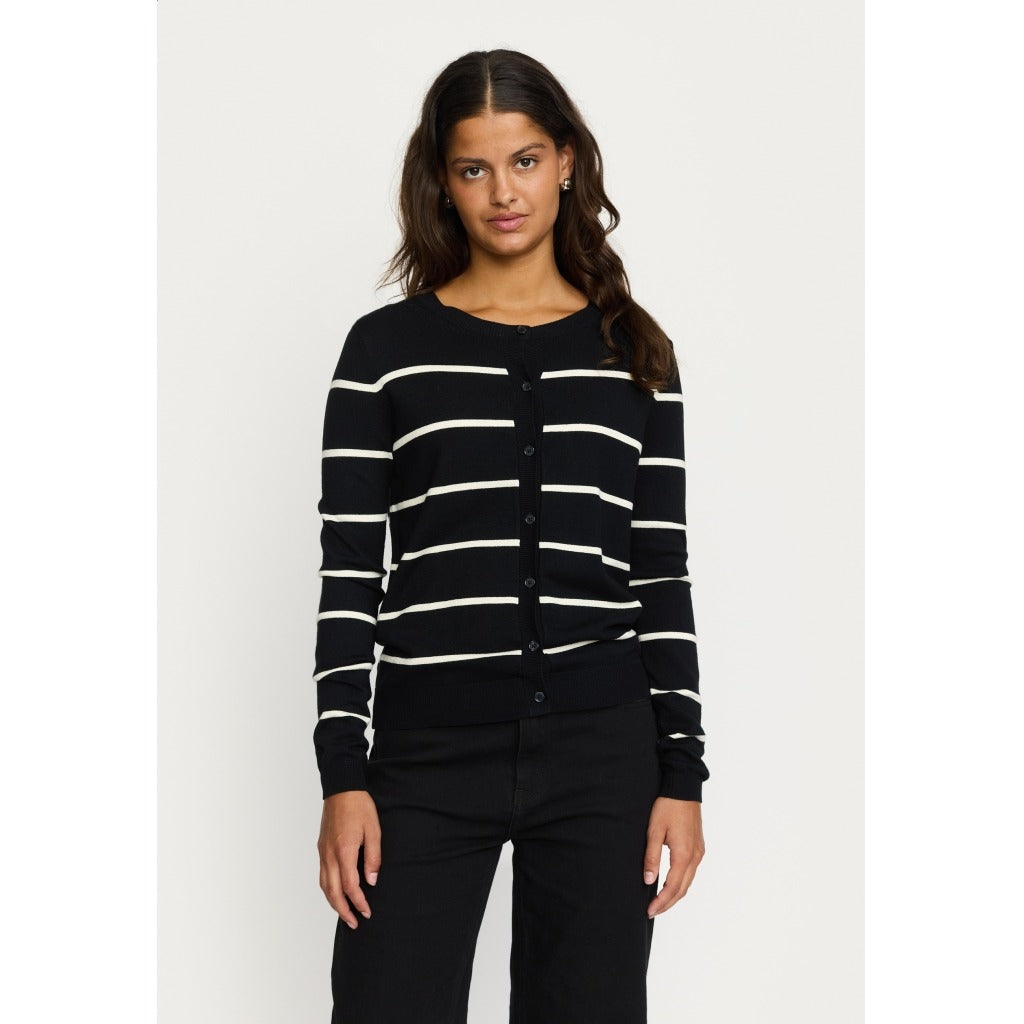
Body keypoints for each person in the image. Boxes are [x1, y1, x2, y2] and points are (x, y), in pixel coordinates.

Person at [312, 48, 709, 1024]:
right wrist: (343, 776)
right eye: (474, 167)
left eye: (524, 160)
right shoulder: (384, 352)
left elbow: (660, 571)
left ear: (567, 161)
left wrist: (682, 774)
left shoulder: (636, 352)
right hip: (428, 748)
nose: (502, 193)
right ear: (442, 181)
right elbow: (350, 574)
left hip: (603, 752)